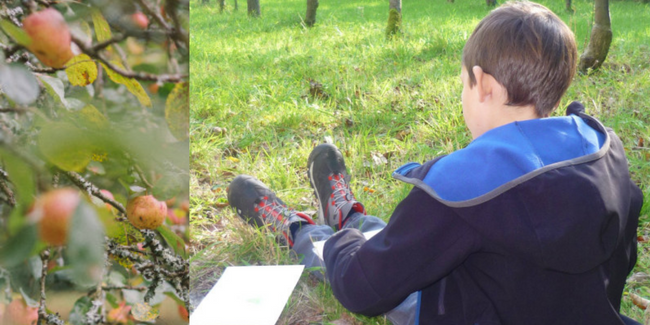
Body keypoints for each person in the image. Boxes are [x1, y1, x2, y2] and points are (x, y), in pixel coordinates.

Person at [227, 1, 643, 324]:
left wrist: (341, 248)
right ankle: (352, 218)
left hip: (459, 311)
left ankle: (304, 231)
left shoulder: (461, 189)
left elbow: (362, 291)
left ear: (483, 85)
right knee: (404, 242)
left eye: (464, 81)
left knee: (363, 258)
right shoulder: (602, 148)